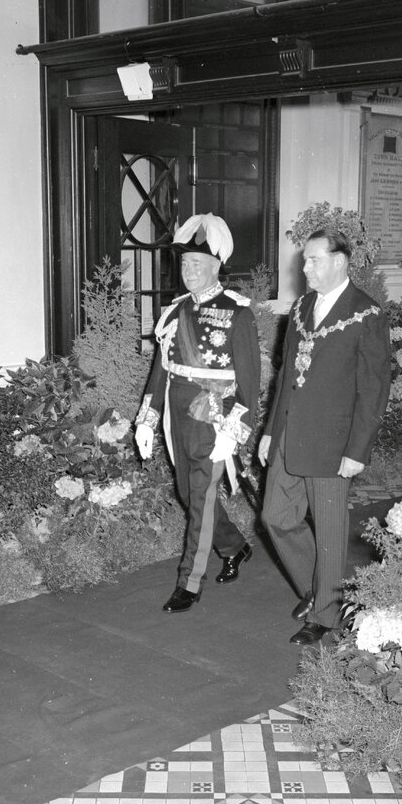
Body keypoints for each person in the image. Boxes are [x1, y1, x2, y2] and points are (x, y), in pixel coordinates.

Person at [258, 228, 390, 645]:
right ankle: (319, 590)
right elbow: (285, 379)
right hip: (289, 436)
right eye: (305, 260)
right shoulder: (300, 308)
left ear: (339, 261)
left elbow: (373, 391)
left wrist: (357, 450)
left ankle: (327, 615)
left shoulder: (367, 314)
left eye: (313, 259)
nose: (305, 268)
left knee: (331, 531)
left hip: (334, 445)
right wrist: (269, 432)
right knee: (275, 517)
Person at [134, 213, 261, 613]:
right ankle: (235, 546)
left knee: (203, 495)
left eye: (197, 264)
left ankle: (189, 581)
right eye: (185, 264)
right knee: (188, 492)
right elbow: (161, 371)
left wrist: (235, 428)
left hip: (213, 413)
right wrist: (147, 418)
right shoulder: (174, 311)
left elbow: (250, 384)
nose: (188, 271)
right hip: (176, 411)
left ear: (216, 267)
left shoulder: (238, 313)